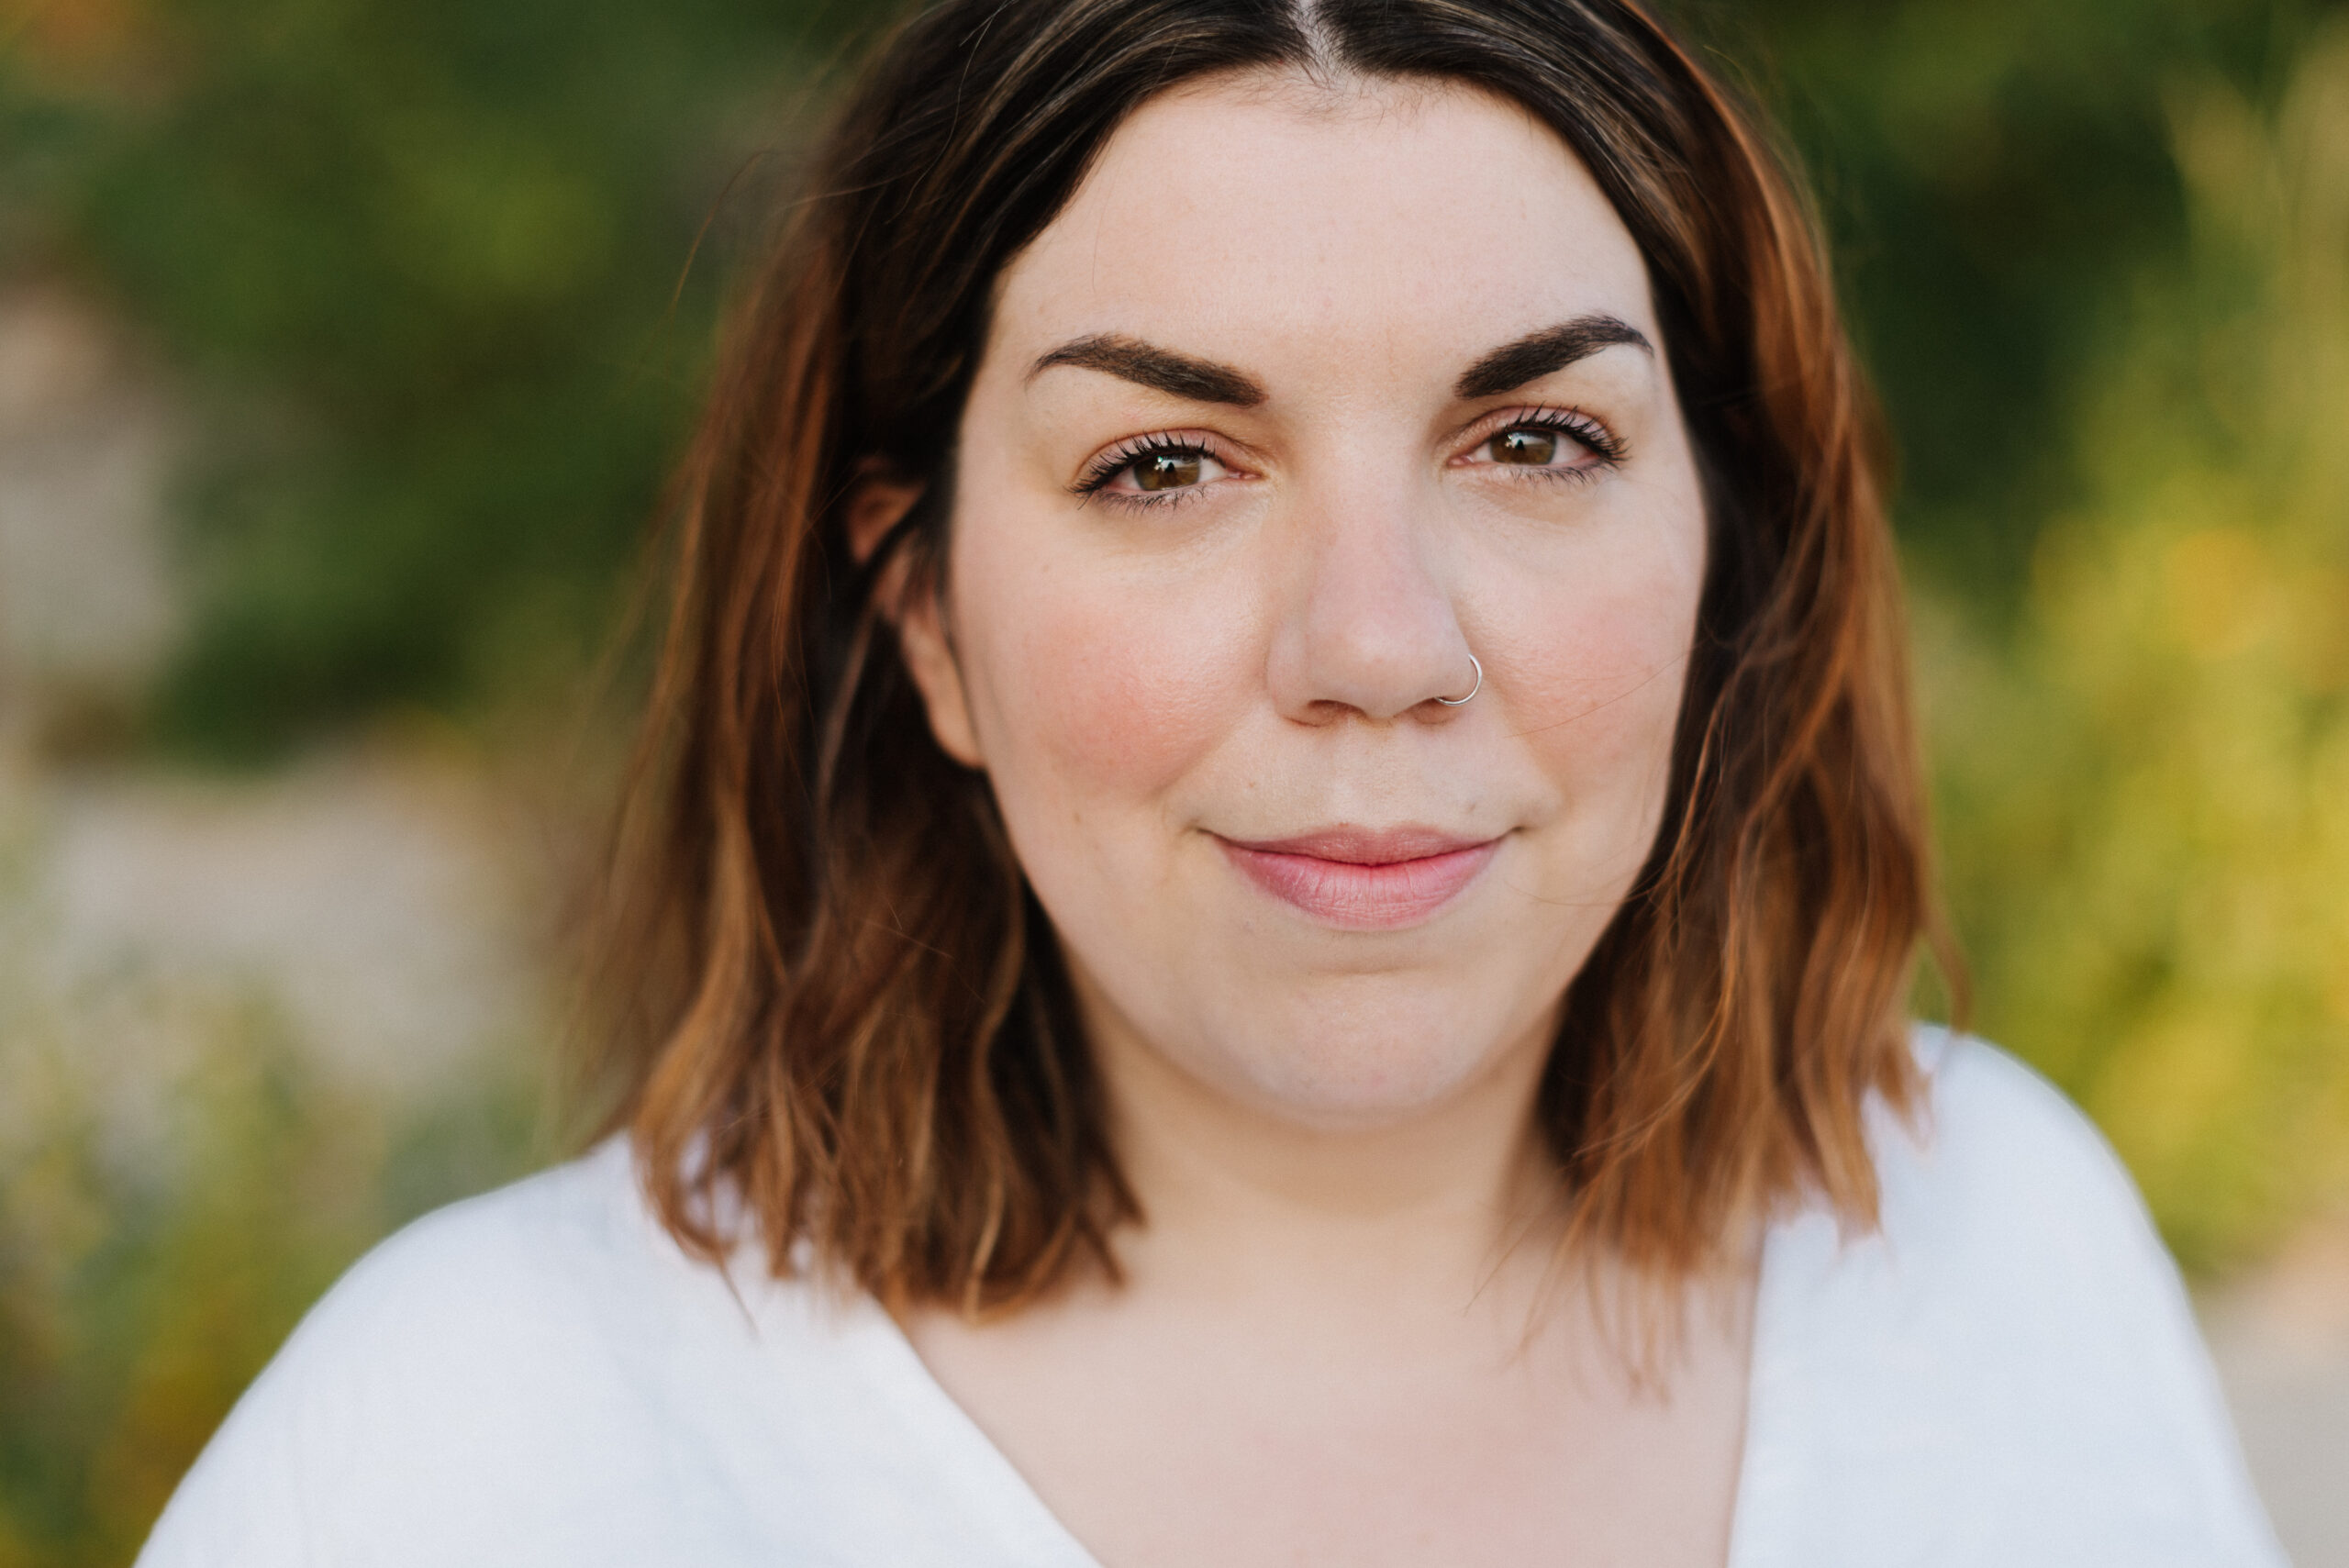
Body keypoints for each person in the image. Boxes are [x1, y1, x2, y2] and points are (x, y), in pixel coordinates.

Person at [137, 1, 2284, 1562]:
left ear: (1719, 548)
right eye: (1164, 464)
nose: (1372, 646)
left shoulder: (1994, 1242)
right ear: (926, 627)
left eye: (1531, 442)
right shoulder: (471, 1455)